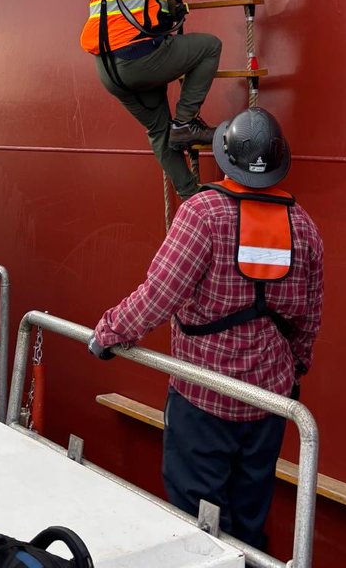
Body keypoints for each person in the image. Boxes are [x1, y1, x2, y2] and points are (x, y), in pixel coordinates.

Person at [89, 108, 324, 552]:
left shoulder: (202, 214)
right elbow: (309, 319)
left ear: (226, 158)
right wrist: (293, 373)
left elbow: (159, 295)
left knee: (195, 521)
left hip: (202, 400)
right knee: (249, 519)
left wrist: (108, 334)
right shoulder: (304, 227)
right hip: (268, 404)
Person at [80, 0, 258, 201]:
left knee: (158, 132)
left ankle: (191, 197)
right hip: (139, 58)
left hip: (106, 69)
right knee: (209, 47)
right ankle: (186, 122)